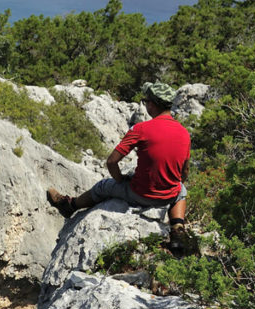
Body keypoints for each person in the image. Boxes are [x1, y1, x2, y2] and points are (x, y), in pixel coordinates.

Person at [46, 81, 190, 247]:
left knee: (103, 186)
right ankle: (178, 230)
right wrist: (169, 185)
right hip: (168, 196)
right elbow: (184, 172)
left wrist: (120, 179)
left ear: (153, 104)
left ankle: (69, 205)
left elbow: (112, 161)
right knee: (182, 190)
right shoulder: (184, 133)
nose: (145, 105)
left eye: (146, 102)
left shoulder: (141, 129)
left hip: (140, 194)